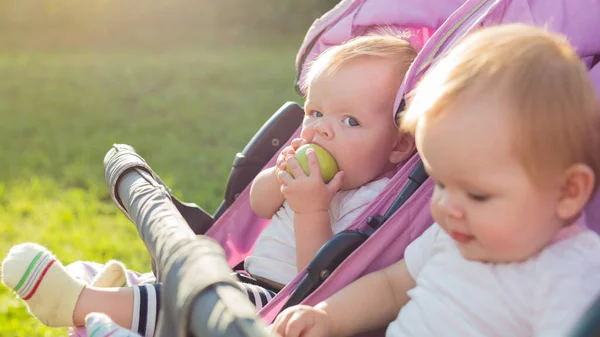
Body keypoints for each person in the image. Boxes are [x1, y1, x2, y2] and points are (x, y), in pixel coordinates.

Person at [1, 33, 418, 337]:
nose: (321, 131)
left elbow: (320, 279)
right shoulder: (307, 166)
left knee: (193, 302)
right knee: (182, 290)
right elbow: (258, 203)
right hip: (244, 277)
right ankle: (114, 306)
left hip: (274, 304)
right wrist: (279, 179)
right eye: (315, 112)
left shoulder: (373, 201)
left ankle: (79, 304)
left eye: (349, 121)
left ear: (398, 145)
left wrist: (311, 208)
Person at [271, 23, 600, 337]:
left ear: (568, 192)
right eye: (441, 184)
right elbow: (390, 288)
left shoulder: (572, 273)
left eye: (477, 195)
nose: (445, 207)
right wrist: (327, 317)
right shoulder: (452, 235)